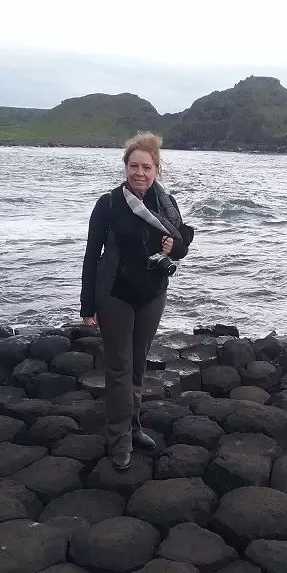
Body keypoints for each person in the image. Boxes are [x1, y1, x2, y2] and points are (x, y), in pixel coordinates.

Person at [80, 133, 194, 470]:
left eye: (146, 167)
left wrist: (177, 249)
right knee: (119, 369)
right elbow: (91, 257)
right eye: (134, 166)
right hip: (114, 294)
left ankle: (134, 427)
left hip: (152, 295)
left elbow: (182, 244)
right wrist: (88, 306)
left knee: (139, 365)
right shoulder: (109, 204)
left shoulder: (167, 203)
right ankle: (118, 440)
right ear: (125, 168)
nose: (139, 173)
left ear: (157, 170)